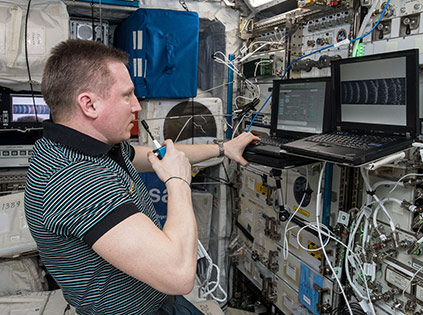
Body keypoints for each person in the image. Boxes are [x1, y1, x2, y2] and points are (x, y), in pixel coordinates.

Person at [24, 39, 259, 314]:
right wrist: (178, 181)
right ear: (89, 104)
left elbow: (153, 154)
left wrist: (223, 148)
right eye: (127, 95)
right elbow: (180, 274)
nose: (136, 106)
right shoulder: (73, 179)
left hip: (158, 301)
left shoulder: (88, 145)